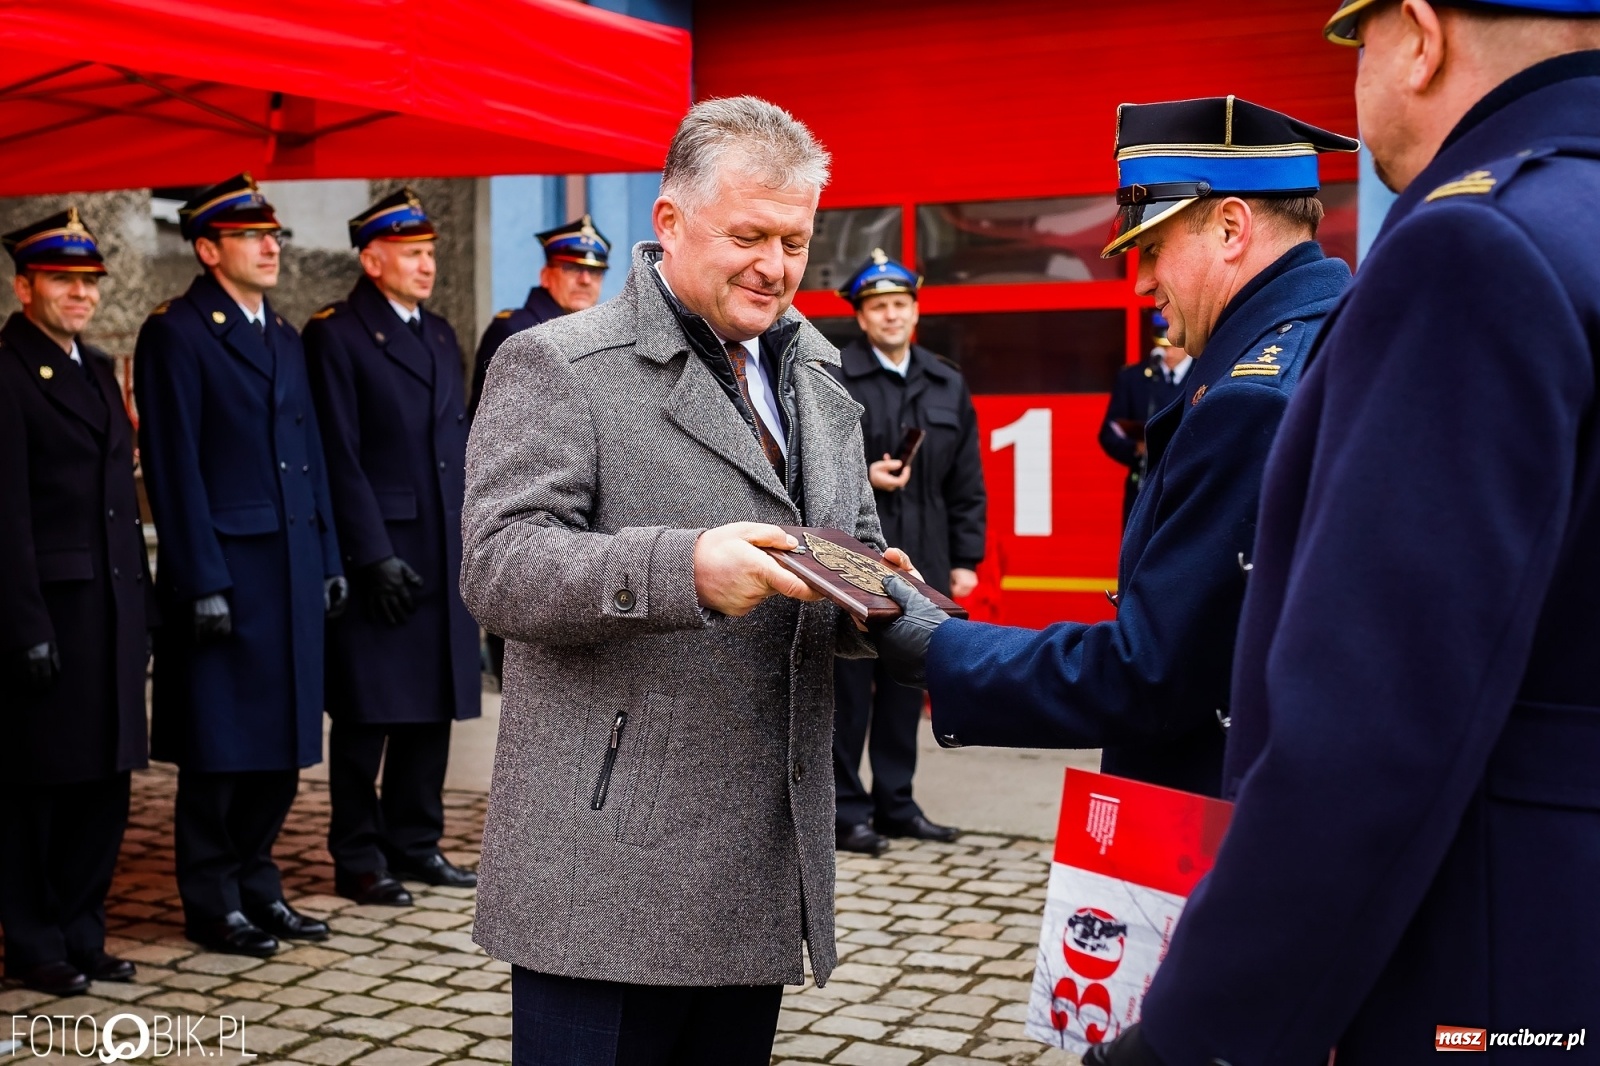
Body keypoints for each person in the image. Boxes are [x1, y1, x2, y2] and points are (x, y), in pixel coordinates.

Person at [1077, 4, 1600, 1063]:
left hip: (1495, 980)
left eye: (1352, 39)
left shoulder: (1475, 244)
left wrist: (1196, 1039)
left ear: (1418, 33)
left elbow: (1368, 732)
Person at [461, 96, 884, 1065]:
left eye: (794, 239)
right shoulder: (556, 364)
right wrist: (681, 568)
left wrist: (877, 591)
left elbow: (846, 542)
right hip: (606, 876)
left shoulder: (816, 373)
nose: (775, 267)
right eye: (748, 235)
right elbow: (498, 566)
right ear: (669, 222)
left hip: (756, 869)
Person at [870, 97, 1358, 799]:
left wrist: (941, 647)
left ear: (1230, 226)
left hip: (1209, 812)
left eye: (1153, 248)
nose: (1141, 282)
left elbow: (1151, 671)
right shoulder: (1327, 334)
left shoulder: (1253, 399)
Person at [134, 174, 347, 958]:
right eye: (253, 236)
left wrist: (328, 555)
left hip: (290, 569)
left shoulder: (283, 335)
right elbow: (173, 464)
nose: (271, 247)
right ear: (207, 248)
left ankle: (260, 886)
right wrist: (200, 578)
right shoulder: (179, 332)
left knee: (284, 744)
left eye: (276, 236)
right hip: (226, 575)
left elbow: (311, 458)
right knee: (221, 752)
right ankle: (211, 899)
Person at [302, 189, 481, 908]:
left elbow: (456, 443)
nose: (427, 264)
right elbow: (336, 454)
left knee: (430, 704)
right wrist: (369, 552)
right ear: (372, 260)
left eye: (431, 252)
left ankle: (416, 840)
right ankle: (358, 855)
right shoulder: (337, 334)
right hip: (380, 551)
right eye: (412, 253)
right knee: (368, 713)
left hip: (440, 541)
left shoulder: (438, 333)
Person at [0, 209, 150, 996]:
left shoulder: (93, 366)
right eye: (63, 280)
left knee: (103, 783)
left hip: (111, 614)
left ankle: (82, 931)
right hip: (48, 618)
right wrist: (22, 624)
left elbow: (119, 509)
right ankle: (31, 940)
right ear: (25, 286)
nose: (80, 294)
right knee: (37, 791)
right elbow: (6, 513)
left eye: (89, 282)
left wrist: (144, 607)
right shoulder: (8, 370)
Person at [828, 249, 985, 855]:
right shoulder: (835, 378)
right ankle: (846, 811)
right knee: (847, 687)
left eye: (900, 304)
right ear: (862, 319)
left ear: (915, 311)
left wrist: (965, 560)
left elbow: (966, 482)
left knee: (906, 685)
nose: (891, 315)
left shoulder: (946, 380)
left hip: (923, 554)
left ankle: (897, 802)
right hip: (854, 556)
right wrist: (865, 473)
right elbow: (815, 466)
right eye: (878, 307)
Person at [469, 215, 611, 684]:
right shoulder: (519, 335)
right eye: (574, 269)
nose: (586, 279)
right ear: (546, 273)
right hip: (532, 532)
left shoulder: (600, 335)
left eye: (595, 271)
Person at [1097, 314, 1191, 527]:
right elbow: (1109, 433)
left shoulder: (1204, 372)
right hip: (1142, 484)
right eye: (1162, 345)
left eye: (1173, 345)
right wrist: (1135, 449)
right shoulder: (1133, 378)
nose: (1167, 351)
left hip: (1184, 485)